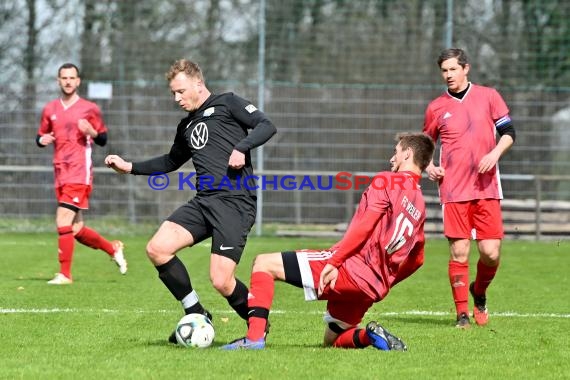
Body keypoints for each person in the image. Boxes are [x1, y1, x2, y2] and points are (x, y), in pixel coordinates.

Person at [104, 59, 277, 343]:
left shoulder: (228, 103)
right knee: (157, 248)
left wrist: (241, 148)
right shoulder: (186, 125)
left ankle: (257, 325)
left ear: (198, 83)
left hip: (235, 202)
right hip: (204, 201)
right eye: (173, 93)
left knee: (221, 280)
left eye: (181, 91)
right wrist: (129, 166)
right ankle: (196, 311)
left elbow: (266, 125)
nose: (177, 98)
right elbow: (171, 161)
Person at [222, 132, 435, 350]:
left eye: (396, 152)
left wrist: (335, 262)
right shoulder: (419, 204)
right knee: (332, 343)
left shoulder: (388, 180)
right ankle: (369, 337)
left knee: (263, 264)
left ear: (407, 154)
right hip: (372, 286)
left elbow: (364, 226)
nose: (392, 158)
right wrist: (384, 282)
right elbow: (417, 259)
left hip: (350, 267)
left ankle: (254, 339)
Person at [423, 48, 516, 328]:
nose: (448, 75)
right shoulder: (436, 107)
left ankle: (480, 292)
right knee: (459, 252)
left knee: (490, 253)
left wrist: (494, 154)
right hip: (453, 191)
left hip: (487, 189)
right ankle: (462, 314)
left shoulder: (489, 96)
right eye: (444, 71)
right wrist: (429, 167)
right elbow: (424, 147)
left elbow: (509, 133)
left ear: (466, 69)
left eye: (453, 69)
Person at [36, 63, 127, 285]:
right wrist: (41, 140)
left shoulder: (89, 108)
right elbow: (39, 136)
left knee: (62, 220)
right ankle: (112, 248)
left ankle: (65, 274)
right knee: (75, 228)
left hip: (79, 172)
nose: (68, 81)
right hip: (60, 172)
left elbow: (103, 139)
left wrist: (92, 132)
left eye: (72, 78)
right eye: (64, 78)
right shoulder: (50, 109)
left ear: (78, 81)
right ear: (58, 81)